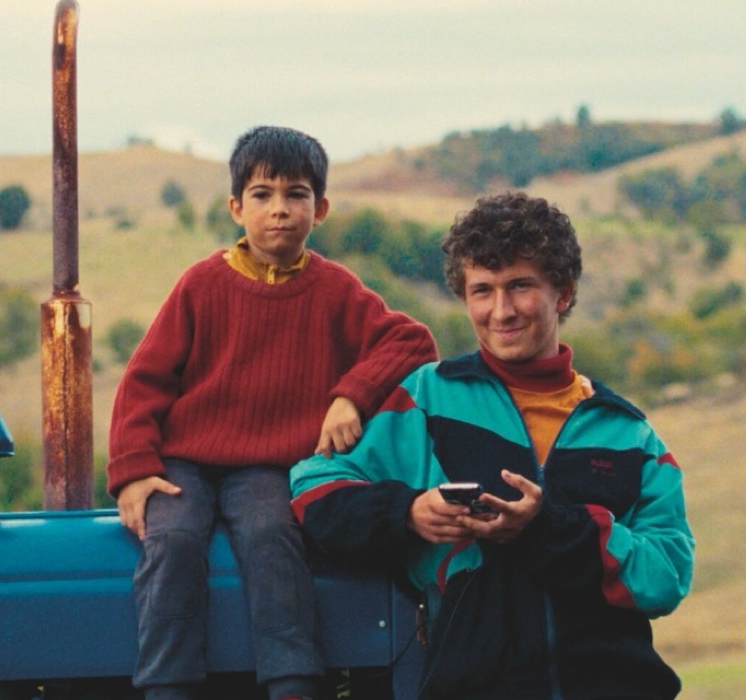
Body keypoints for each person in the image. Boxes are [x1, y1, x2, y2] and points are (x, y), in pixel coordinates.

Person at [290, 191, 695, 700]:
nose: (501, 311)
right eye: (482, 290)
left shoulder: (629, 434)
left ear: (563, 293)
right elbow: (313, 488)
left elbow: (667, 575)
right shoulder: (428, 400)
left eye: (520, 286)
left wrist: (545, 527)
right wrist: (408, 512)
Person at [107, 125, 438, 700]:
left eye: (296, 194)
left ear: (320, 208)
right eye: (262, 195)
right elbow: (144, 380)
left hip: (268, 467)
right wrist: (134, 471)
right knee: (174, 540)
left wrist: (351, 395)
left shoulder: (335, 289)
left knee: (272, 537)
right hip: (184, 460)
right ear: (237, 207)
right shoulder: (202, 285)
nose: (279, 209)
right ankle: (167, 684)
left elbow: (412, 341)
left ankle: (292, 683)